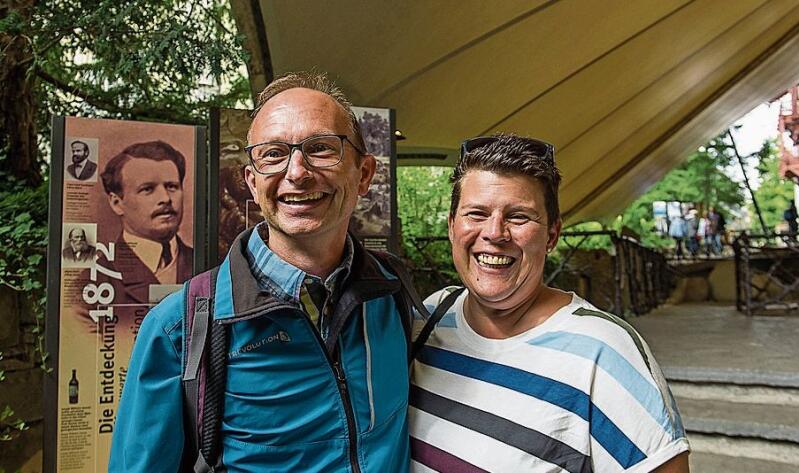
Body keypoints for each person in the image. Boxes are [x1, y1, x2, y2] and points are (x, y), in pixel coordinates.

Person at [110, 72, 412, 472]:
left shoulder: (392, 293)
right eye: (273, 154)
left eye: (321, 148)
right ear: (252, 183)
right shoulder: (181, 328)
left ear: (365, 174)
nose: (298, 171)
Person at [410, 134, 690, 472]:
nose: (495, 233)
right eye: (477, 213)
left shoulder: (604, 352)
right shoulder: (430, 317)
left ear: (552, 236)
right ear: (453, 227)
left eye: (519, 217)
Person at [99, 141, 193, 304]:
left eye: (172, 186)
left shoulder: (205, 265)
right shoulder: (96, 279)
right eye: (147, 189)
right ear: (117, 203)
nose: (165, 199)